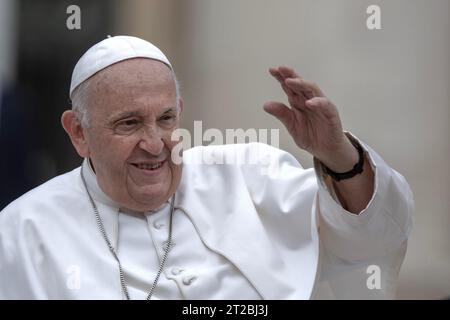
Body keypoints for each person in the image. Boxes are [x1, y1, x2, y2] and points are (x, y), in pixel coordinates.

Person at [0, 36, 413, 299]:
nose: (154, 143)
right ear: (79, 133)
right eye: (128, 123)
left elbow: (371, 242)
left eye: (165, 119)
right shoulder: (22, 231)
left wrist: (339, 155)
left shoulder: (251, 173)